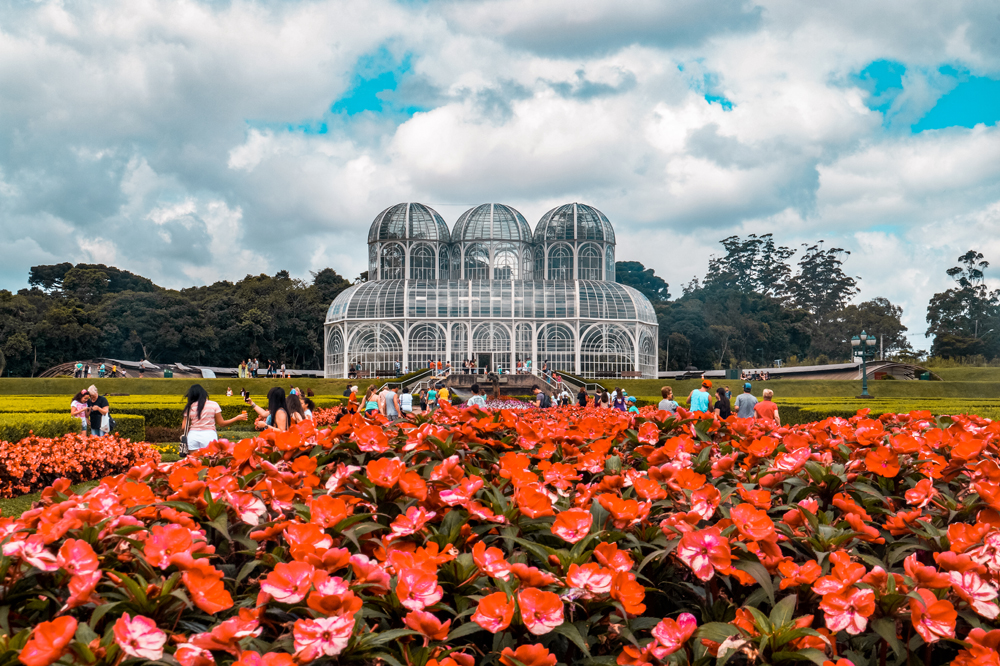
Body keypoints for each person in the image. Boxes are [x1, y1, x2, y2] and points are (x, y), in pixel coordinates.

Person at [182, 384, 248, 451]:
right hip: (209, 436)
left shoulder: (189, 407)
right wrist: (237, 418)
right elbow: (221, 423)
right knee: (209, 460)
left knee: (193, 460)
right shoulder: (213, 404)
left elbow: (184, 427)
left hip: (193, 436)